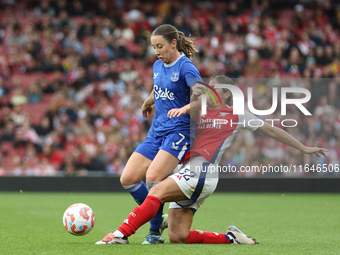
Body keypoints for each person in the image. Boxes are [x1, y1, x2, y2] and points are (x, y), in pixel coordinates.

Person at [96, 75, 327, 245]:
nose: (208, 92)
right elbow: (170, 92)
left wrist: (303, 148)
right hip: (189, 173)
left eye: (214, 89)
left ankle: (120, 235)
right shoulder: (200, 109)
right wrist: (157, 100)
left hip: (202, 173)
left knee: (155, 191)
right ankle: (232, 238)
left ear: (227, 93)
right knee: (178, 236)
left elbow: (273, 130)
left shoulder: (237, 114)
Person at [118, 24, 202, 244]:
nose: (157, 51)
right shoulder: (158, 65)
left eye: (160, 46)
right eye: (154, 47)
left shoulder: (187, 67)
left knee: (153, 178)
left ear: (173, 43)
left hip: (179, 132)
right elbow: (159, 87)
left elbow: (202, 97)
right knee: (127, 179)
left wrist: (184, 109)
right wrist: (149, 100)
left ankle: (154, 233)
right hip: (157, 132)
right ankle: (159, 217)